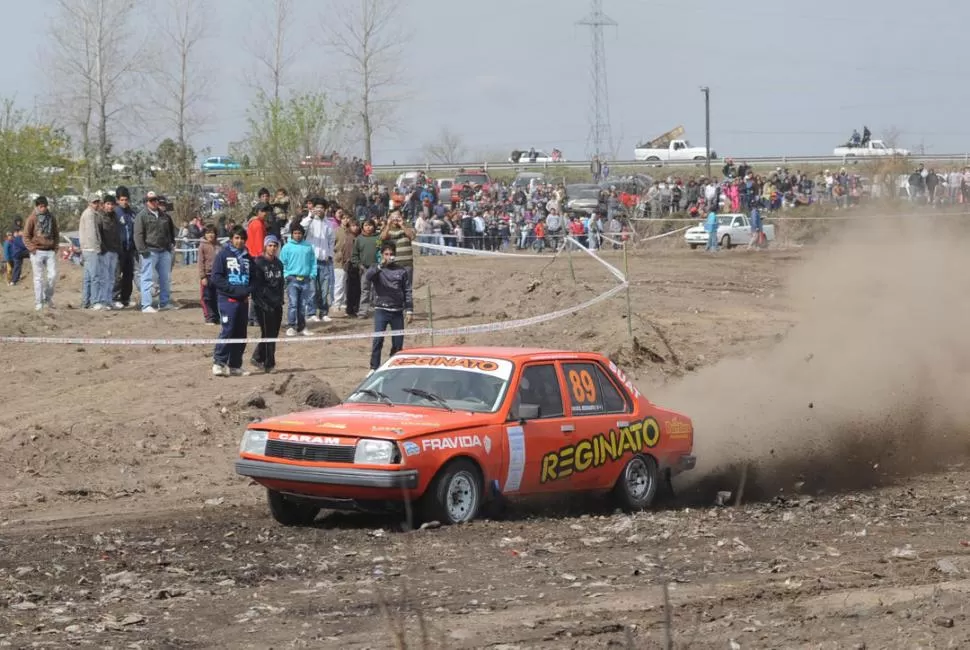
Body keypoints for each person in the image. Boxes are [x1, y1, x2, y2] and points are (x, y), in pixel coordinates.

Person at [365, 241, 413, 375]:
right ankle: (374, 367)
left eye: (391, 254)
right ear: (381, 255)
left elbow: (407, 290)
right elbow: (367, 277)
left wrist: (409, 310)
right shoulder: (377, 269)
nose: (389, 256)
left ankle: (394, 366)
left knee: (398, 342)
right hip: (381, 309)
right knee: (378, 340)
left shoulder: (401, 270)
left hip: (397, 311)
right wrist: (380, 265)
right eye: (386, 254)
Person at [210, 226, 251, 377]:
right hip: (227, 299)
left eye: (242, 238)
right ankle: (218, 363)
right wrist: (232, 290)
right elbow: (216, 277)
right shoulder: (223, 255)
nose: (239, 241)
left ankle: (235, 365)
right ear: (231, 239)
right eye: (236, 238)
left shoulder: (247, 257)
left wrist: (248, 290)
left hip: (244, 301)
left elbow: (253, 277)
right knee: (228, 329)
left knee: (241, 332)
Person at [134, 191, 177, 313]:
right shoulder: (141, 216)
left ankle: (164, 302)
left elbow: (170, 232)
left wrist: (171, 245)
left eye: (155, 199)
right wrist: (142, 250)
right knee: (147, 278)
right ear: (146, 202)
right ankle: (146, 304)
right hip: (149, 251)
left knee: (165, 278)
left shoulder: (164, 216)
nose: (154, 202)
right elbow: (138, 234)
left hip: (164, 251)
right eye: (151, 200)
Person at [250, 234, 285, 372]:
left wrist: (280, 300)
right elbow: (256, 286)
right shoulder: (258, 263)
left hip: (276, 303)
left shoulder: (279, 263)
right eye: (270, 245)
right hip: (263, 304)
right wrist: (262, 303)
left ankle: (258, 357)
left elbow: (281, 283)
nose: (273, 248)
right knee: (268, 333)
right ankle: (269, 363)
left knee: (273, 334)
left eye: (275, 245)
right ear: (265, 246)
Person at [301, 198, 335, 323]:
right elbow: (301, 227)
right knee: (312, 288)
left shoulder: (328, 224)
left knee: (325, 289)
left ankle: (324, 312)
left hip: (324, 260)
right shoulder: (309, 221)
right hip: (311, 261)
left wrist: (330, 255)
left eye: (322, 208)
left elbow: (331, 240)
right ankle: (311, 312)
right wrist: (310, 216)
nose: (319, 210)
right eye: (317, 207)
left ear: (325, 210)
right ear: (313, 208)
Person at [278, 222, 316, 337]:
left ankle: (302, 327)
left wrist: (312, 274)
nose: (297, 235)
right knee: (293, 304)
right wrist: (286, 275)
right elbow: (282, 263)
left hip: (305, 280)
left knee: (302, 305)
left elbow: (313, 262)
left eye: (299, 233)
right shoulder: (287, 247)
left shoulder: (308, 247)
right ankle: (291, 326)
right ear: (292, 234)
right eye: (295, 233)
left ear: (303, 234)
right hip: (292, 279)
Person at [23, 196, 59, 310]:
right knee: (38, 278)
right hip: (37, 251)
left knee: (52, 276)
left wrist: (55, 247)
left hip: (50, 250)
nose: (43, 208)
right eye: (41, 206)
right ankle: (38, 302)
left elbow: (56, 233)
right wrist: (32, 248)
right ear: (37, 206)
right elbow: (26, 236)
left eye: (45, 206)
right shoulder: (32, 218)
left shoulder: (51, 217)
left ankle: (47, 297)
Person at [113, 186, 138, 308]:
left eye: (126, 199)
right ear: (117, 200)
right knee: (117, 274)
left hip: (130, 249)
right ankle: (114, 297)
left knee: (129, 275)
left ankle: (125, 298)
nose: (124, 202)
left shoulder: (132, 213)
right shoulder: (114, 213)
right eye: (122, 199)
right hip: (118, 249)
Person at [78, 194, 103, 309]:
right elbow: (91, 233)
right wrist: (97, 248)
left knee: (88, 278)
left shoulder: (90, 213)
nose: (96, 204)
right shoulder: (89, 215)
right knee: (95, 277)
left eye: (98, 202)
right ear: (89, 203)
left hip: (86, 249)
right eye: (94, 202)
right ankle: (94, 301)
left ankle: (85, 302)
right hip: (91, 248)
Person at [98, 195, 123, 310]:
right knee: (104, 277)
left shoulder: (115, 217)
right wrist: (102, 248)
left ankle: (109, 300)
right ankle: (103, 300)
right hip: (105, 250)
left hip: (114, 250)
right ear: (104, 205)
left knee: (112, 277)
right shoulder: (100, 217)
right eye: (108, 204)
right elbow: (99, 234)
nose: (110, 206)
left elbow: (118, 234)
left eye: (112, 204)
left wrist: (119, 248)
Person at [352, 218, 380, 319]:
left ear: (374, 226)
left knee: (377, 290)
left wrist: (381, 264)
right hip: (365, 269)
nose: (368, 227)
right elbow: (354, 255)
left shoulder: (378, 238)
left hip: (377, 268)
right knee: (365, 290)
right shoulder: (359, 239)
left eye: (370, 225)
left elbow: (381, 251)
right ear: (362, 227)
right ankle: (363, 311)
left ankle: (379, 310)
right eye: (366, 225)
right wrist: (359, 265)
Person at [379, 209, 415, 285]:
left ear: (401, 216)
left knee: (407, 287)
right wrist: (388, 225)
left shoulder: (407, 225)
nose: (395, 218)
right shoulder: (386, 227)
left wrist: (402, 225)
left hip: (406, 263)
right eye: (393, 216)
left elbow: (411, 236)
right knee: (394, 287)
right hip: (392, 262)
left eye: (397, 216)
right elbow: (382, 238)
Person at [197, 224, 220, 324]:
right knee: (207, 297)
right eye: (208, 233)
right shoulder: (202, 246)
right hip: (207, 275)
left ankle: (216, 317)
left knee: (217, 297)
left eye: (212, 232)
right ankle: (209, 317)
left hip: (218, 275)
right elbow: (200, 262)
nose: (210, 235)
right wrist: (203, 277)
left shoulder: (219, 245)